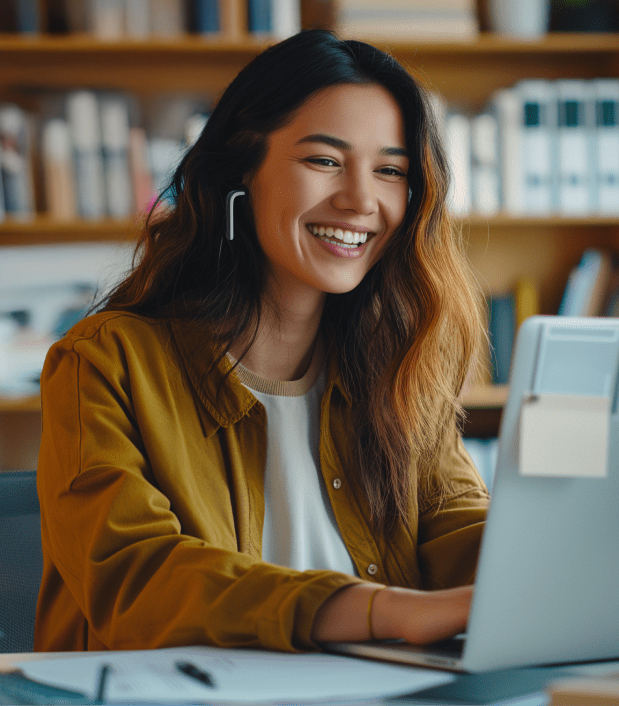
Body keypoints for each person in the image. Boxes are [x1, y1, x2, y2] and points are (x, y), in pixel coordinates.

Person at [34, 28, 490, 653]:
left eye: (391, 171)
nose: (361, 199)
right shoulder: (105, 362)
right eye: (324, 160)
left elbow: (459, 525)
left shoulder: (397, 363)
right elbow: (135, 578)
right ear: (239, 172)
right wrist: (384, 612)